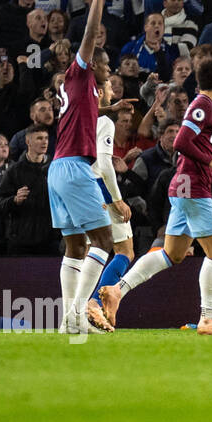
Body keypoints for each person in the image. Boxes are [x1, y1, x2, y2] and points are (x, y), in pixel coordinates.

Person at [99, 57, 212, 335]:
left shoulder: (208, 108)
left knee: (172, 254)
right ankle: (208, 318)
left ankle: (117, 291)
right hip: (193, 189)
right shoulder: (203, 106)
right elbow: (181, 142)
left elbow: (196, 152)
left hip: (187, 187)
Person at [47, 0, 117, 334]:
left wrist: (111, 108)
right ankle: (77, 314)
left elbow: (87, 114)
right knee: (104, 241)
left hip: (58, 170)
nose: (109, 68)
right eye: (105, 64)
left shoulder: (82, 92)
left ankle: (65, 321)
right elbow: (91, 33)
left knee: (74, 246)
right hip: (74, 169)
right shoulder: (80, 72)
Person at [85, 83, 137, 327]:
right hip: (99, 188)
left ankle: (76, 311)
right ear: (100, 93)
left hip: (74, 186)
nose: (112, 87)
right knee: (124, 250)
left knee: (84, 252)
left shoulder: (73, 117)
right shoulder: (104, 122)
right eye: (107, 84)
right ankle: (95, 302)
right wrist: (116, 199)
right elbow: (104, 166)